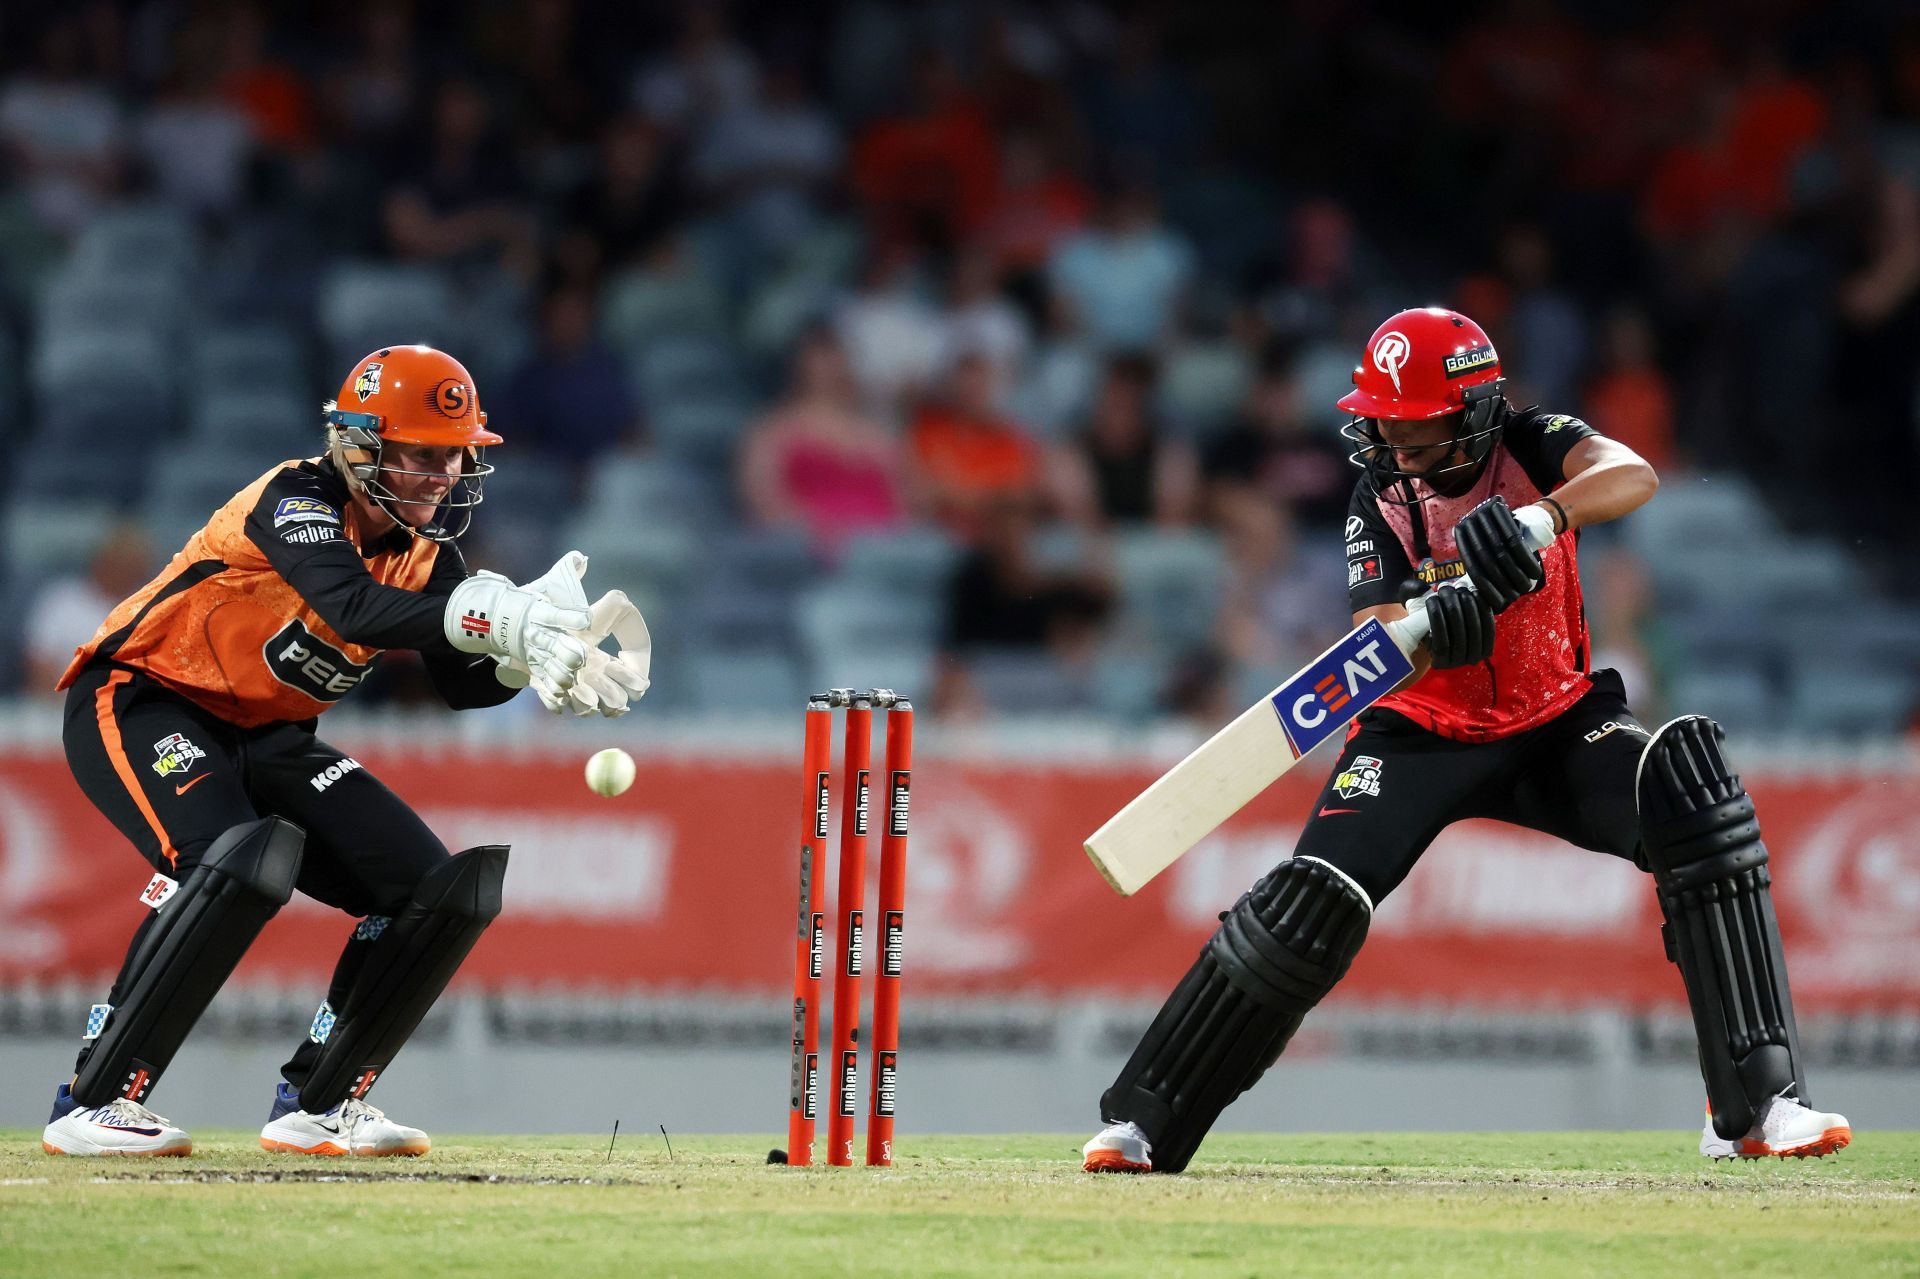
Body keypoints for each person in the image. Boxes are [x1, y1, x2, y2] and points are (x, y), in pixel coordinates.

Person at [1081, 307, 1850, 1173]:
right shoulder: (1379, 495)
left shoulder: (1535, 440)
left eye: (1418, 428)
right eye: (1386, 426)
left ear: (1478, 409)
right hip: (1419, 733)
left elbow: (1630, 473)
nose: (1399, 447)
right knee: (1308, 904)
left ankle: (1757, 1107)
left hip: (1560, 719)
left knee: (1694, 800)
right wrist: (1429, 620)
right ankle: (1145, 1121)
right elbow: (1375, 638)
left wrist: (1539, 520)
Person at [41, 345, 648, 1159]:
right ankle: (95, 1098)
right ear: (361, 446)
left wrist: (530, 662)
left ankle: (320, 1102)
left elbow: (461, 686)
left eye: (456, 455)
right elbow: (352, 606)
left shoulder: (433, 555)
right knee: (230, 858)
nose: (444, 474)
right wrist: (491, 617)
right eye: (423, 454)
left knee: (436, 891)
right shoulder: (295, 497)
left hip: (271, 734)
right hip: (145, 696)